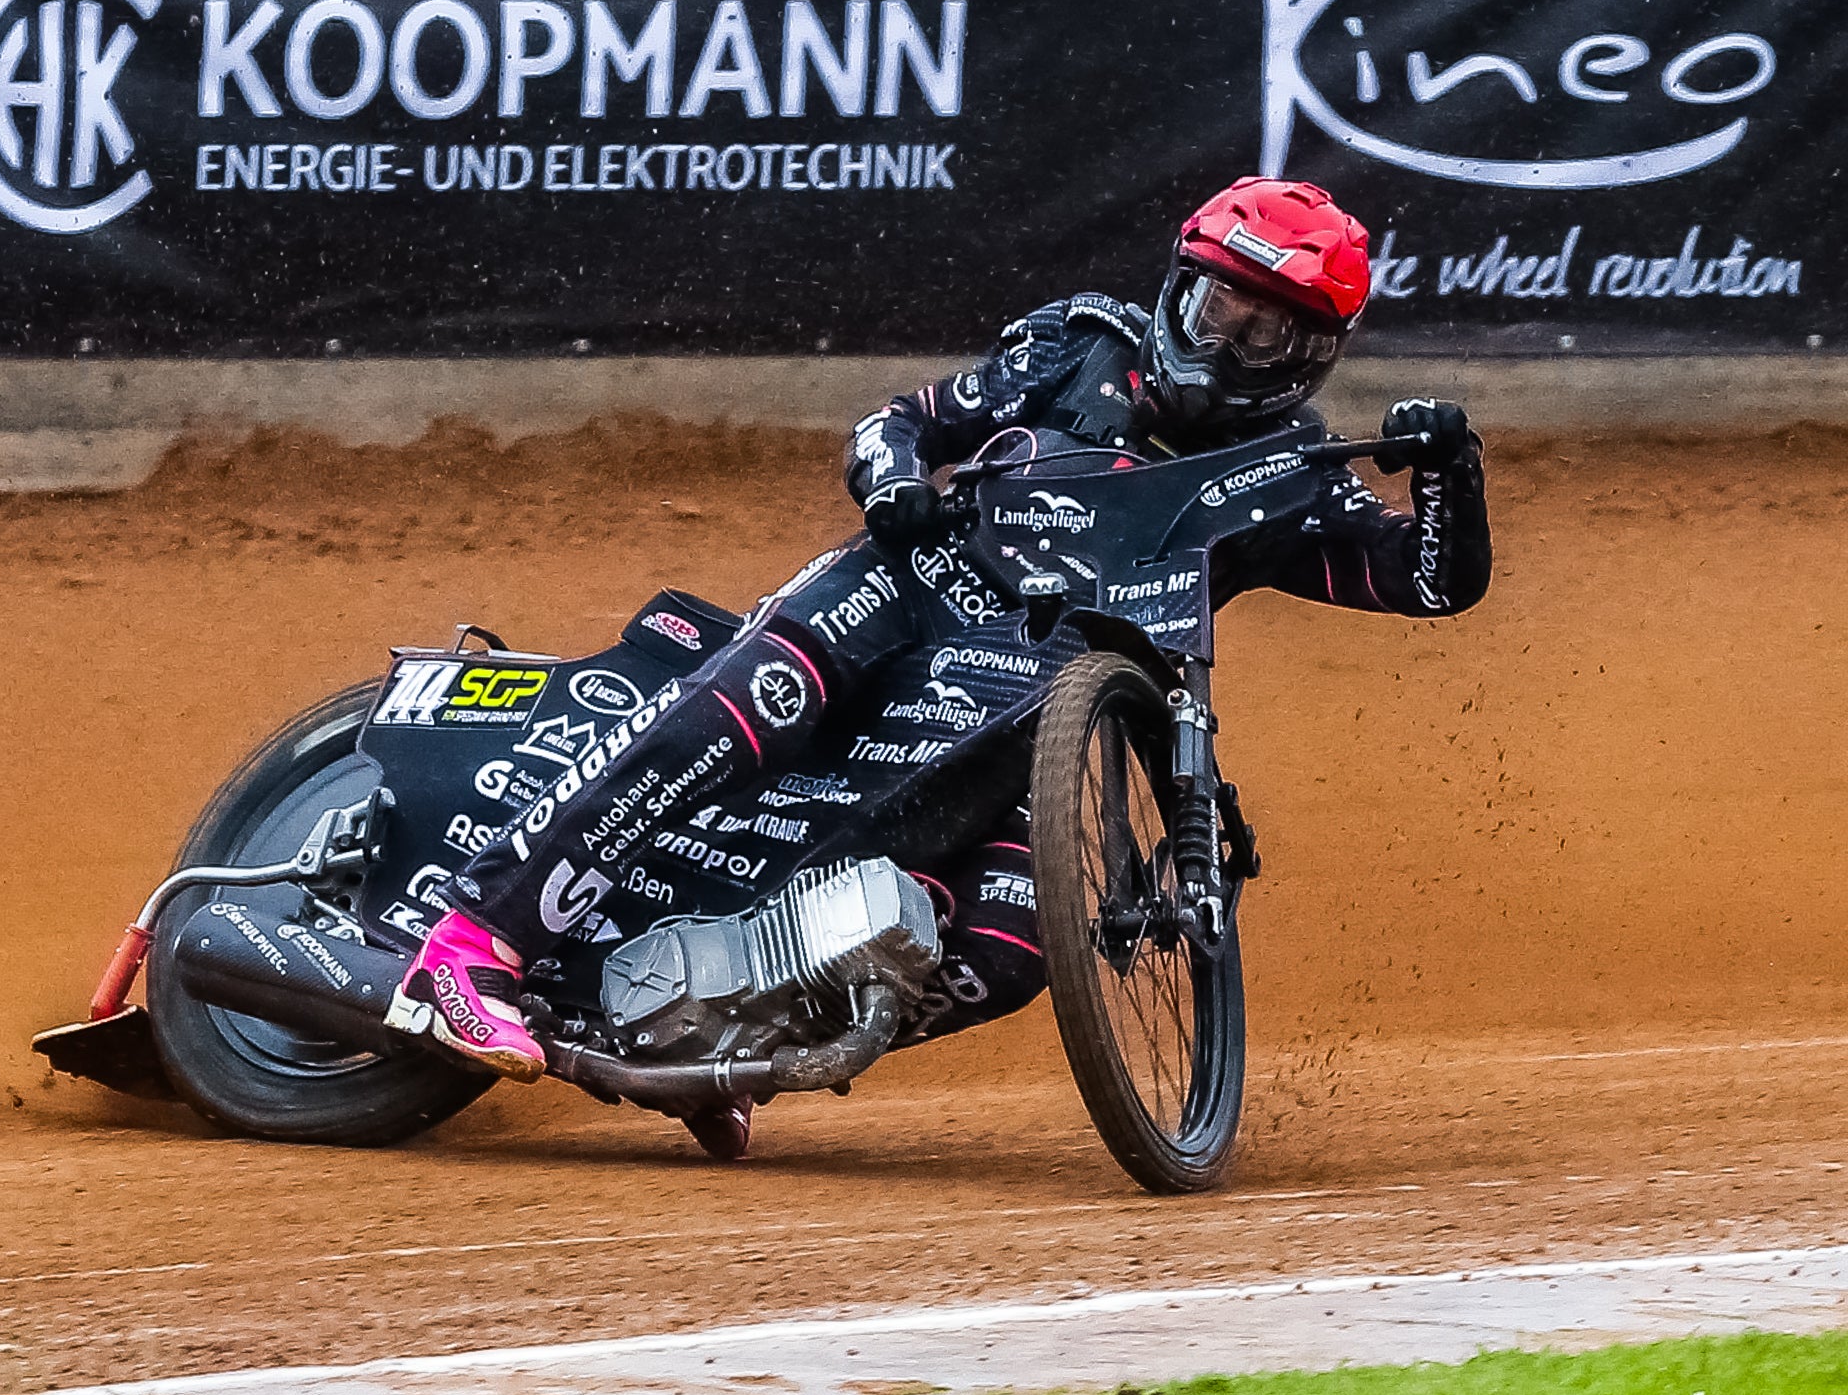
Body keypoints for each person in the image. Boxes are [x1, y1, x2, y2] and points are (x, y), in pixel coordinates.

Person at [386, 177, 1493, 1082]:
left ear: (1311, 358)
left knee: (1011, 945)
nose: (1229, 348)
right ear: (1177, 289)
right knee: (732, 718)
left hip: (1036, 711)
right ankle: (473, 947)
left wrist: (1451, 468)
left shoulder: (1288, 476)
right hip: (905, 593)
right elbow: (901, 422)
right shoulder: (1080, 347)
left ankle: (727, 1041)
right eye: (1218, 312)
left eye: (1267, 336)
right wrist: (895, 488)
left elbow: (1431, 580)